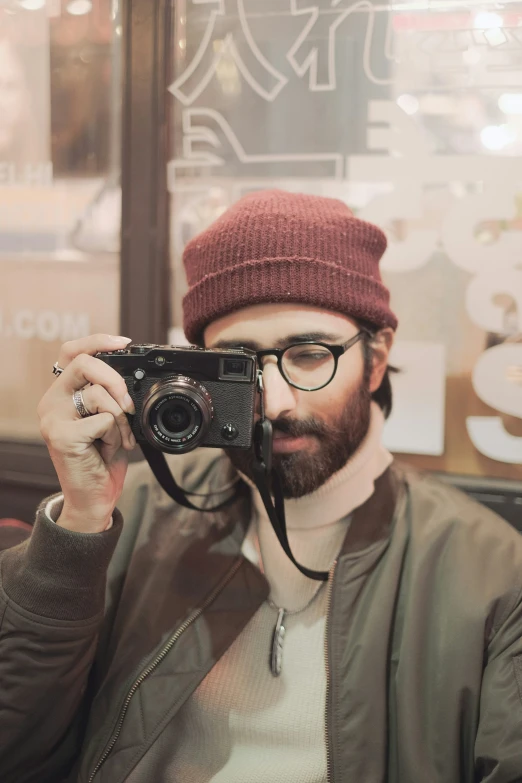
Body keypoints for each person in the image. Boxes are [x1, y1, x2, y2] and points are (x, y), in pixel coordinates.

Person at [1, 190, 521, 783]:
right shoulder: (136, 513)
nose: (273, 402)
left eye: (308, 354)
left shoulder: (489, 573)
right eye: (239, 365)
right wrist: (77, 526)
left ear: (376, 359)